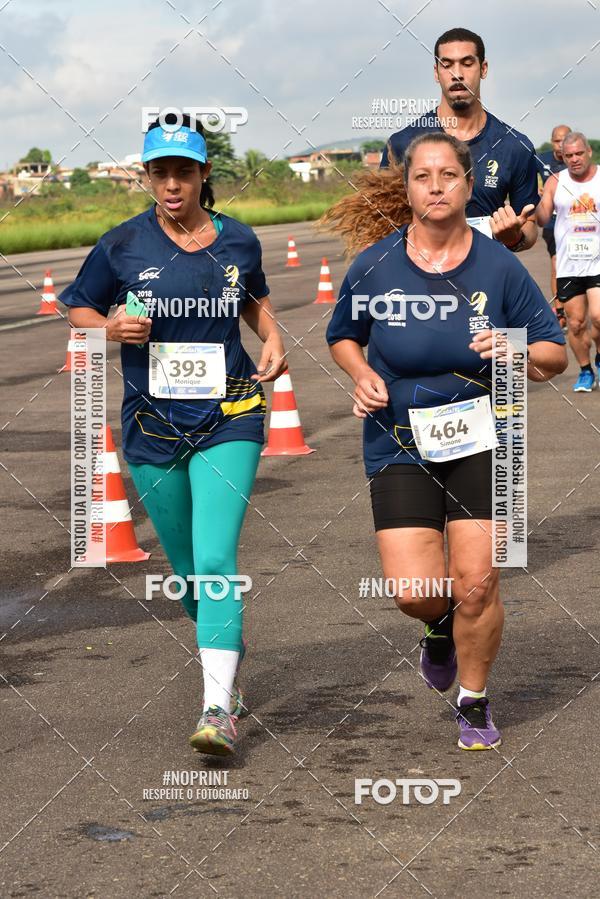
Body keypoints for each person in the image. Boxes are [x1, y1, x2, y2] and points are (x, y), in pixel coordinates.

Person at [325, 132, 567, 750]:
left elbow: (553, 354)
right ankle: (437, 627)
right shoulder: (376, 263)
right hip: (398, 437)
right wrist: (362, 373)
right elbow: (343, 333)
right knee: (416, 592)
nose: (436, 186)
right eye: (423, 177)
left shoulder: (499, 266)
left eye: (448, 176)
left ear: (467, 185)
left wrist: (514, 347)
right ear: (406, 188)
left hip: (486, 435)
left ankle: (475, 700)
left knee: (478, 584)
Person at [61, 114, 286, 756]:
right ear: (147, 177)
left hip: (230, 416)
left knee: (216, 562)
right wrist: (109, 329)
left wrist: (271, 336)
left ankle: (218, 707)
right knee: (186, 573)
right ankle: (229, 660)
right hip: (151, 428)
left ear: (203, 174)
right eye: (159, 172)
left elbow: (255, 300)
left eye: (182, 171)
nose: (170, 184)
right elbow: (78, 306)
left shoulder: (239, 241)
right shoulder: (121, 244)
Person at [381, 27, 539, 253]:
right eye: (447, 65)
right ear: (436, 73)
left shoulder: (514, 146)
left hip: (486, 280)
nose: (457, 74)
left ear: (483, 69)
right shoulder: (401, 144)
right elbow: (382, 223)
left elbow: (530, 225)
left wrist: (514, 238)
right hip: (420, 280)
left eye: (467, 63)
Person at [537, 131, 600, 392]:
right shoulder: (555, 181)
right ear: (562, 156)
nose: (574, 159)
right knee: (575, 323)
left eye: (578, 154)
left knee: (598, 316)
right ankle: (586, 370)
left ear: (589, 152)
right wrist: (535, 205)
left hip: (597, 261)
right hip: (569, 264)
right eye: (568, 155)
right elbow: (542, 218)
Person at [536, 125, 570, 326]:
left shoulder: (575, 160)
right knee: (557, 264)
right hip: (552, 223)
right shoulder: (541, 159)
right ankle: (560, 312)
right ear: (551, 141)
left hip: (576, 224)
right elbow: (525, 177)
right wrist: (537, 189)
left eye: (564, 140)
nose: (560, 145)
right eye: (557, 141)